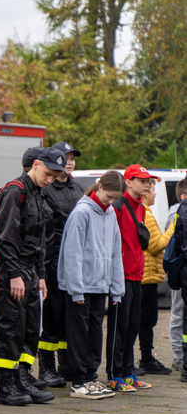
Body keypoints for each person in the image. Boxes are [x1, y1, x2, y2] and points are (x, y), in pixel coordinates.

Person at [0, 147, 65, 406]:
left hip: (32, 271)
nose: (50, 180)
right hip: (13, 269)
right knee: (10, 328)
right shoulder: (15, 192)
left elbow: (41, 240)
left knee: (30, 328)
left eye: (55, 177)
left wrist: (42, 275)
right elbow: (6, 237)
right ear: (35, 165)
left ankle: (22, 378)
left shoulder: (38, 195)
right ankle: (6, 386)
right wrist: (14, 274)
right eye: (48, 173)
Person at [59, 171, 124, 399]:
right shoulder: (82, 213)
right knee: (79, 332)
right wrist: (75, 288)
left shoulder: (111, 214)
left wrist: (117, 288)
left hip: (101, 285)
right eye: (109, 196)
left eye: (115, 198)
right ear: (98, 188)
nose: (111, 201)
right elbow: (73, 253)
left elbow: (116, 253)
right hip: (82, 286)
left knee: (95, 331)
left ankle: (90, 377)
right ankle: (78, 381)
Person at [38, 141, 85, 386]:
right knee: (52, 317)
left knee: (69, 315)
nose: (69, 161)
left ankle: (66, 364)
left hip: (73, 263)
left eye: (72, 158)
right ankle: (46, 367)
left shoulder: (78, 188)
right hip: (53, 261)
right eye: (65, 157)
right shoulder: (46, 189)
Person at [107, 164, 155, 392]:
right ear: (128, 182)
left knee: (133, 325)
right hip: (120, 277)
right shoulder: (118, 206)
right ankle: (114, 374)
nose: (147, 184)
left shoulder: (141, 208)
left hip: (137, 275)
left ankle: (128, 371)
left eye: (148, 181)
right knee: (119, 326)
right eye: (142, 180)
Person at [138, 179, 176, 375]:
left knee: (146, 321)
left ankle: (146, 358)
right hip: (146, 277)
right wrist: (172, 228)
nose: (155, 194)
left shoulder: (145, 212)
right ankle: (146, 359)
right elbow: (156, 245)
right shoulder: (146, 213)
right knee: (146, 322)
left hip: (147, 276)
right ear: (145, 193)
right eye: (153, 190)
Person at [167, 179, 187, 372]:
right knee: (178, 312)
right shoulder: (176, 212)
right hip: (180, 270)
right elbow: (173, 243)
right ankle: (178, 356)